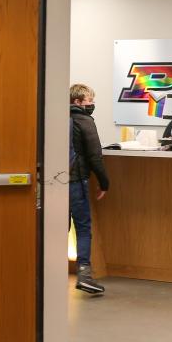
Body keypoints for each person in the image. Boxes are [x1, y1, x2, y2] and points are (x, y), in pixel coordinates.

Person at [69, 84, 108, 295]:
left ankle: (51, 272)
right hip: (77, 181)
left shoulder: (56, 116)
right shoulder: (85, 120)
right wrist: (104, 183)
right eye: (89, 100)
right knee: (83, 228)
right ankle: (84, 274)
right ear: (78, 102)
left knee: (58, 229)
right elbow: (95, 156)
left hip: (55, 183)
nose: (92, 104)